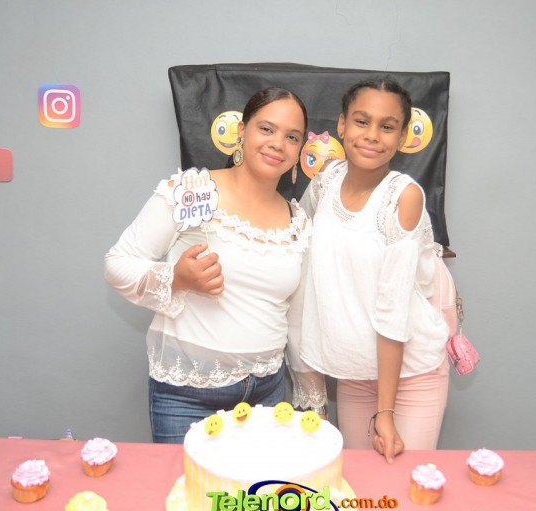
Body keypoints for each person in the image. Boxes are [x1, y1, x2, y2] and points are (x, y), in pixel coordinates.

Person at [104, 87, 312, 443]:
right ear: (242, 131)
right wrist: (176, 279)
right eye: (266, 129)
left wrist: (309, 394)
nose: (278, 143)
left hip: (267, 394)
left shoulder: (298, 222)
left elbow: (297, 317)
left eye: (291, 136)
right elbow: (117, 264)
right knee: (189, 483)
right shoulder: (191, 191)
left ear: (299, 149)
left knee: (256, 482)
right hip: (187, 396)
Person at [289, 77, 450, 463]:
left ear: (403, 136)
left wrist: (386, 413)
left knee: (402, 486)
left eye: (387, 126)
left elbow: (393, 310)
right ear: (342, 125)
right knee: (360, 483)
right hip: (355, 373)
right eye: (362, 121)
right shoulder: (325, 181)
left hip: (410, 375)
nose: (372, 135)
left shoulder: (403, 197)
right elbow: (300, 267)